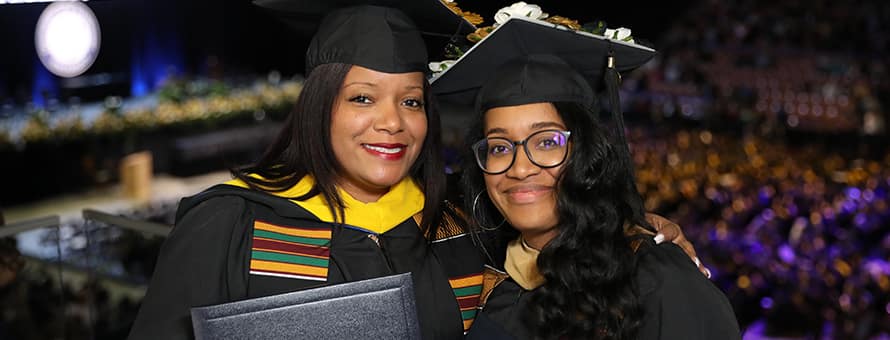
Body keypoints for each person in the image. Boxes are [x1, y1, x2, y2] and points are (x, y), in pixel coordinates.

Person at [128, 3, 703, 340]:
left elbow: (569, 240)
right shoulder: (230, 226)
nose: (392, 124)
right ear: (317, 106)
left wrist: (636, 230)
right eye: (361, 99)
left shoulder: (465, 222)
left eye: (411, 101)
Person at [431, 13, 740, 340]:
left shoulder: (656, 283)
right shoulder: (481, 281)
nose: (519, 168)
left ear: (587, 151)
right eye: (498, 147)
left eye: (547, 141)